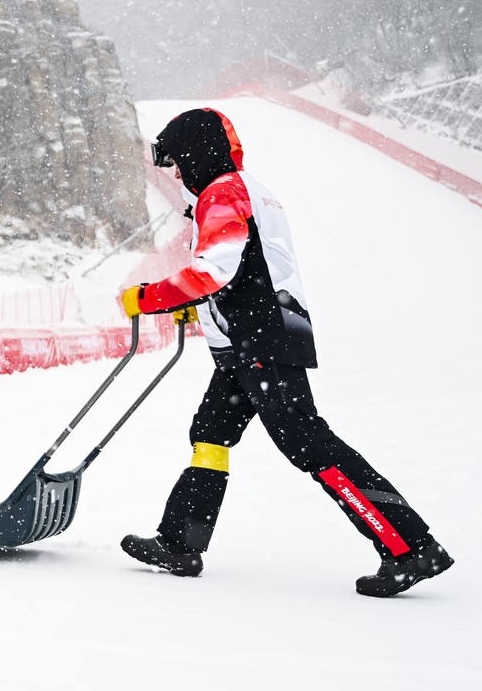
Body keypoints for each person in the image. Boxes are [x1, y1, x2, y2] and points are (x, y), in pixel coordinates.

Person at [118, 107, 452, 597]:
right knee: (210, 432)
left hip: (260, 340)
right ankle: (180, 542)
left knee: (308, 443)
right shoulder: (249, 189)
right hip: (256, 336)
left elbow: (215, 270)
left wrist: (149, 296)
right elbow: (249, 268)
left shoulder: (223, 193)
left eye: (175, 160)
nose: (174, 172)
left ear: (195, 151)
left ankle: (409, 546)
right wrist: (201, 309)